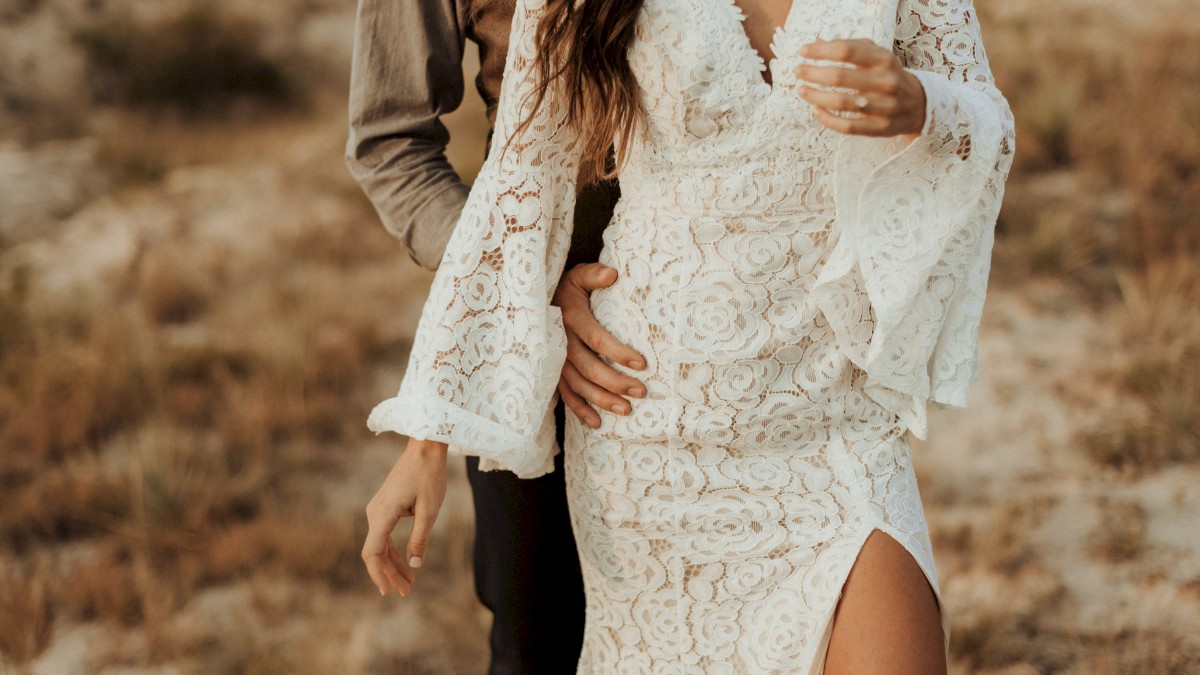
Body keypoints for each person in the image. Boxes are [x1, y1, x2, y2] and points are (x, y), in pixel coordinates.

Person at [360, 0, 1015, 671]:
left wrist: (921, 105)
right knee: (534, 640)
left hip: (831, 414)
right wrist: (430, 433)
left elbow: (984, 118)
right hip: (643, 412)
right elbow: (516, 183)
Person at [344, 0, 647, 671]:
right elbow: (388, 139)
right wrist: (523, 287)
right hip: (529, 294)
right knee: (540, 623)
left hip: (728, 299)